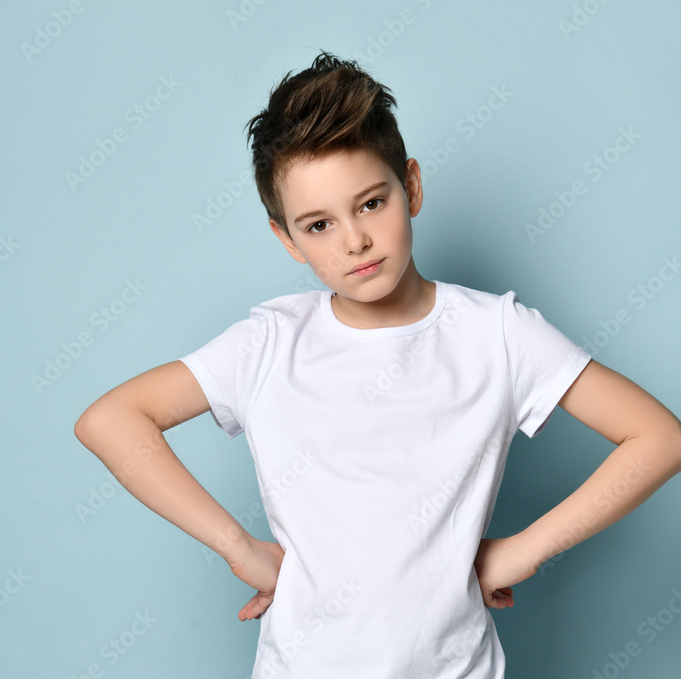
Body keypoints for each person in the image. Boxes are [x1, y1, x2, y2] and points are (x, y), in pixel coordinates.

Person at [72, 51, 681, 678]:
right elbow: (111, 420)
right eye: (318, 224)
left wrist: (523, 552)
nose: (353, 241)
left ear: (411, 186)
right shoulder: (270, 344)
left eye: (370, 204)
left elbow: (660, 437)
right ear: (286, 238)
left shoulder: (496, 333)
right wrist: (238, 548)